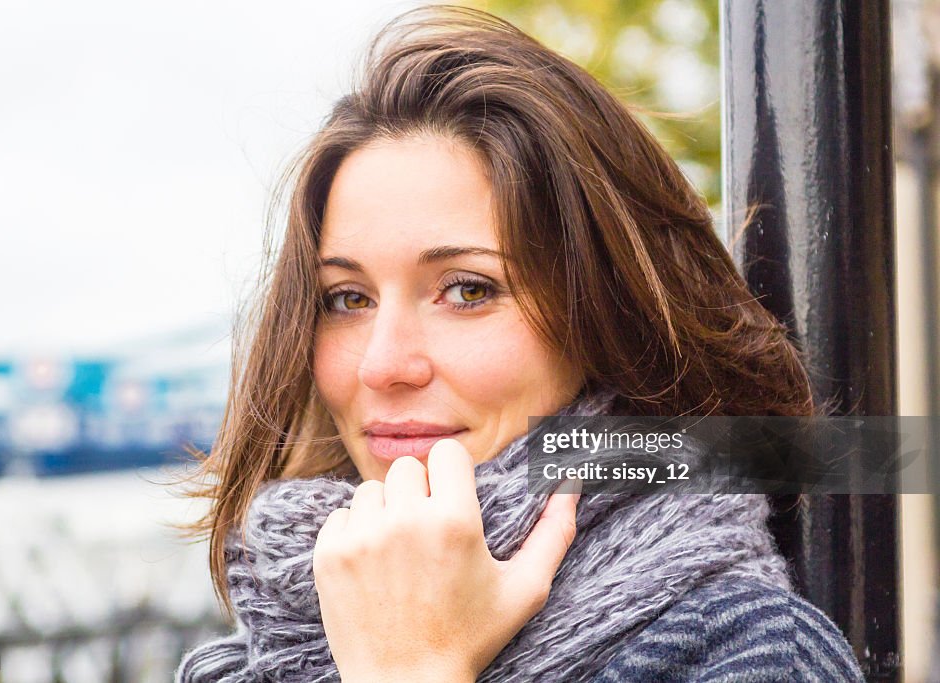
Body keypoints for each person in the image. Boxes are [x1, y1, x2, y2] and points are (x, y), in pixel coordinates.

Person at [176, 6, 864, 682]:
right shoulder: (255, 653)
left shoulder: (750, 652)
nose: (383, 364)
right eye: (347, 299)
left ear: (603, 317)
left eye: (468, 290)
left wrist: (413, 666)